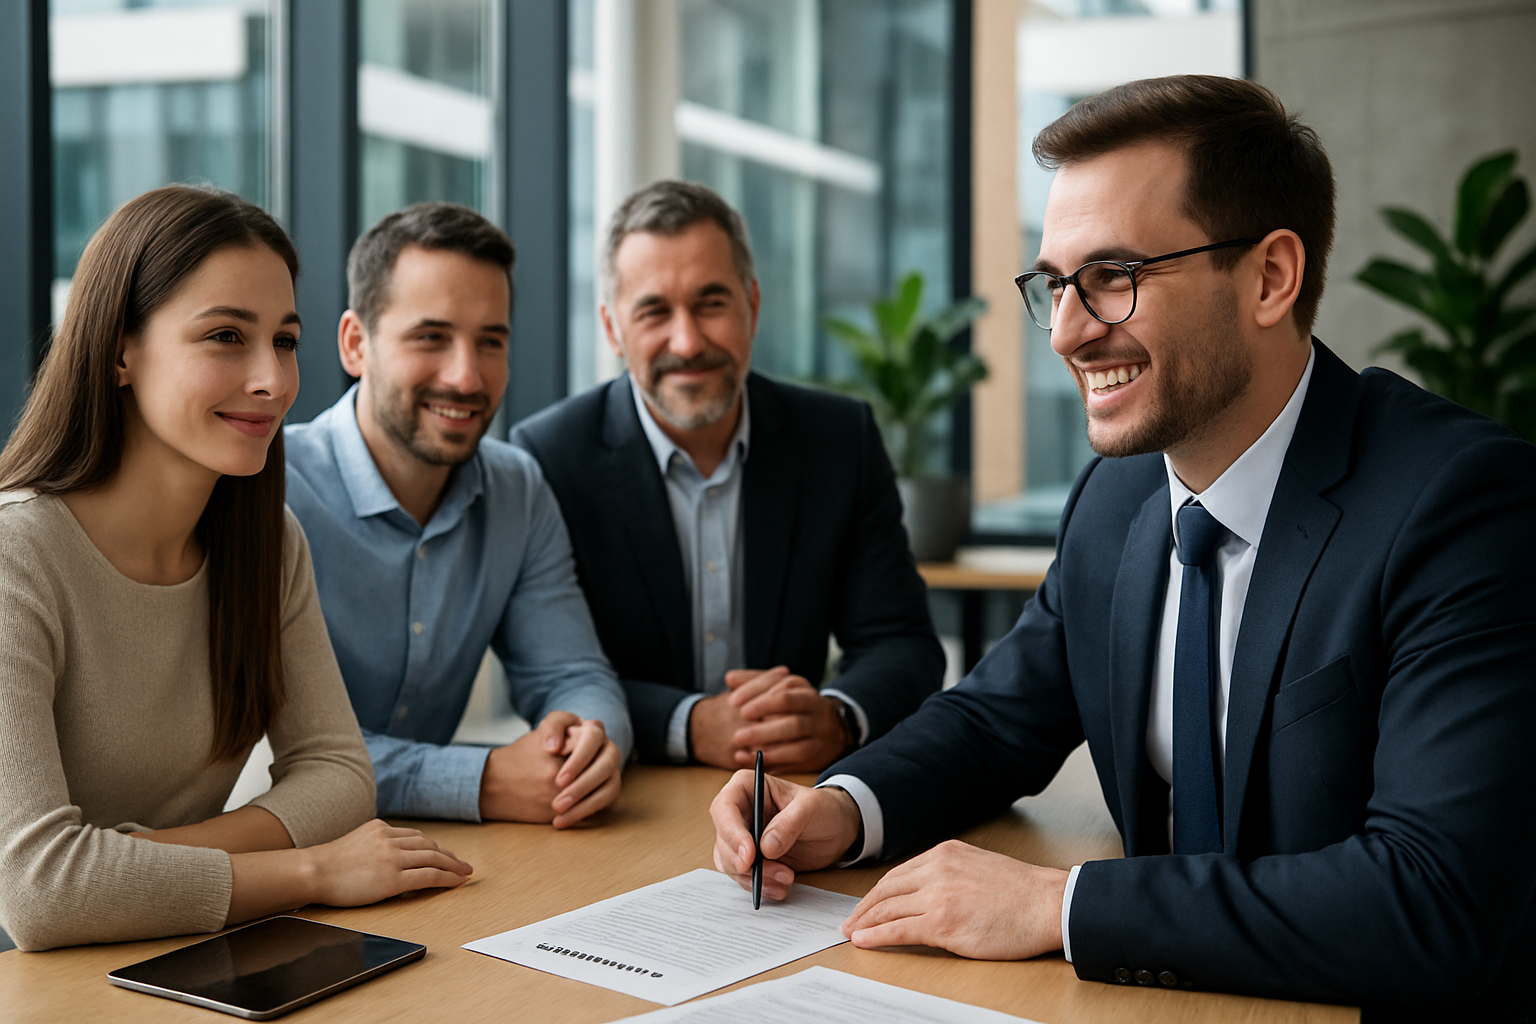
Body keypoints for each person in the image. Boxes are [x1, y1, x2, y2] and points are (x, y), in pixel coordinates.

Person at [708, 76, 1536, 1017]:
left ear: (1271, 277)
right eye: (1055, 284)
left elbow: (1430, 902)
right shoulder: (1119, 492)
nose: (1065, 332)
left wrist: (1060, 906)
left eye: (1113, 278)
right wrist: (845, 806)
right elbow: (998, 717)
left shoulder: (1461, 503)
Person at [0, 185, 472, 953]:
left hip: (168, 956)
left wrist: (130, 865)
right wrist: (311, 873)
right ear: (120, 350)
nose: (274, 380)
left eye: (284, 340)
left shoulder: (266, 540)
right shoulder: (15, 555)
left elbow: (339, 774)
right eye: (225, 336)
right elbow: (41, 895)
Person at [511, 181, 943, 772]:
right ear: (612, 329)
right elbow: (546, 673)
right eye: (654, 311)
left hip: (793, 790)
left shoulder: (839, 440)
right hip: (628, 795)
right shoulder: (548, 457)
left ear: (753, 306)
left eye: (711, 302)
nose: (687, 342)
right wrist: (687, 725)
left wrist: (838, 715)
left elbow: (903, 642)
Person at [285, 202, 631, 827]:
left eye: (490, 341)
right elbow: (273, 756)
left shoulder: (516, 488)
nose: (466, 376)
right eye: (431, 337)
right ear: (355, 344)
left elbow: (573, 672)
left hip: (436, 864)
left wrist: (586, 743)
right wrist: (480, 781)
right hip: (275, 868)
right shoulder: (267, 491)